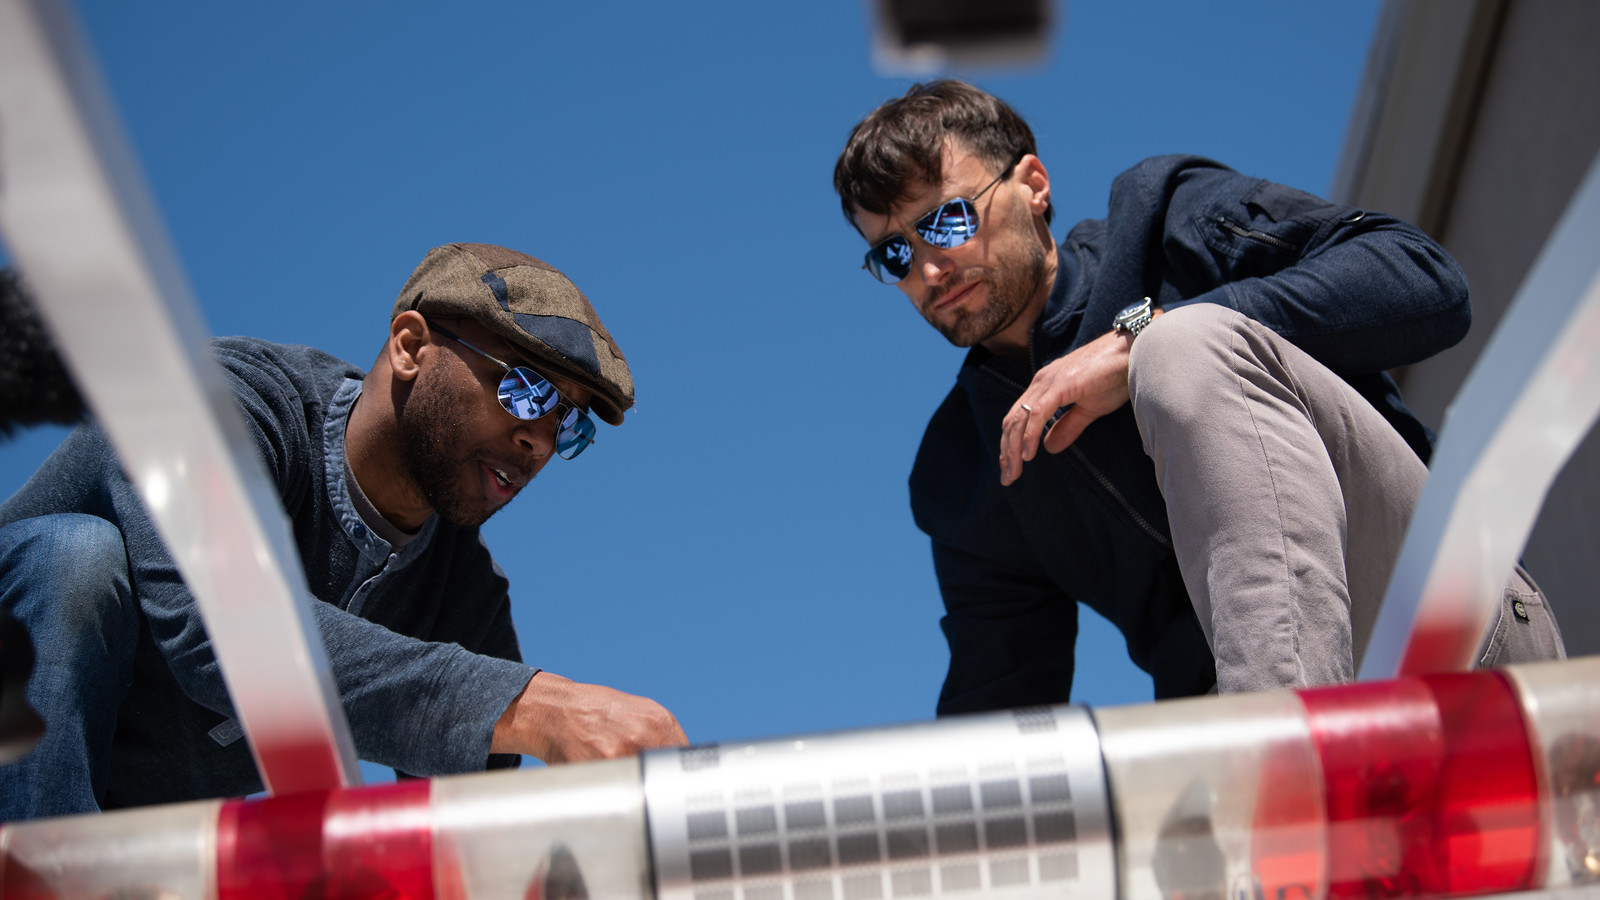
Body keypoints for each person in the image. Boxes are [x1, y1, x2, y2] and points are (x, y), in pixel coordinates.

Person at [832, 81, 1565, 713]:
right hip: (1227, 731)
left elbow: (1426, 282)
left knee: (1184, 348)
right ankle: (1273, 769)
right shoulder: (963, 471)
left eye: (946, 220)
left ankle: (1287, 760)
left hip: (1443, 622)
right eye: (894, 253)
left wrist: (1137, 340)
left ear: (1033, 184)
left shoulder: (1164, 223)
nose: (929, 267)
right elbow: (999, 708)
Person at [0, 243, 687, 818]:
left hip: (128, 850)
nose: (539, 439)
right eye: (526, 389)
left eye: (568, 422)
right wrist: (531, 703)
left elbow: (469, 826)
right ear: (412, 346)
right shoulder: (219, 405)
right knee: (74, 561)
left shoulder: (459, 597)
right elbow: (224, 632)